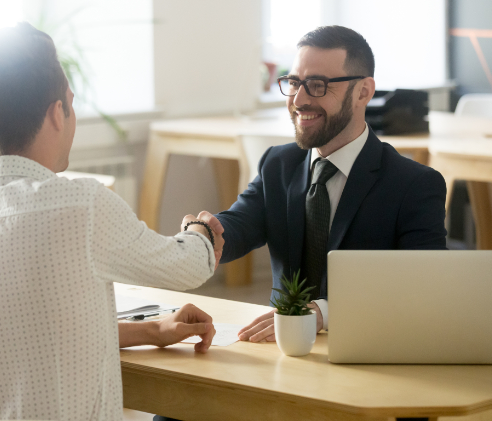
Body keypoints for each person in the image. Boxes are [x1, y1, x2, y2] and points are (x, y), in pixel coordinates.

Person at [0, 22, 224, 421]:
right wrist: (199, 230)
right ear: (56, 113)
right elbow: (189, 266)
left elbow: (30, 336)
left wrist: (153, 329)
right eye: (70, 102)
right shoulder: (81, 204)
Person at [190, 25, 447, 343]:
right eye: (295, 82)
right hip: (280, 348)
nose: (298, 99)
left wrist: (323, 314)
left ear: (363, 92)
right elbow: (238, 224)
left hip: (368, 348)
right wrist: (203, 234)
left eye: (317, 85)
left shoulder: (415, 185)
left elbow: (422, 287)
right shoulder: (279, 164)